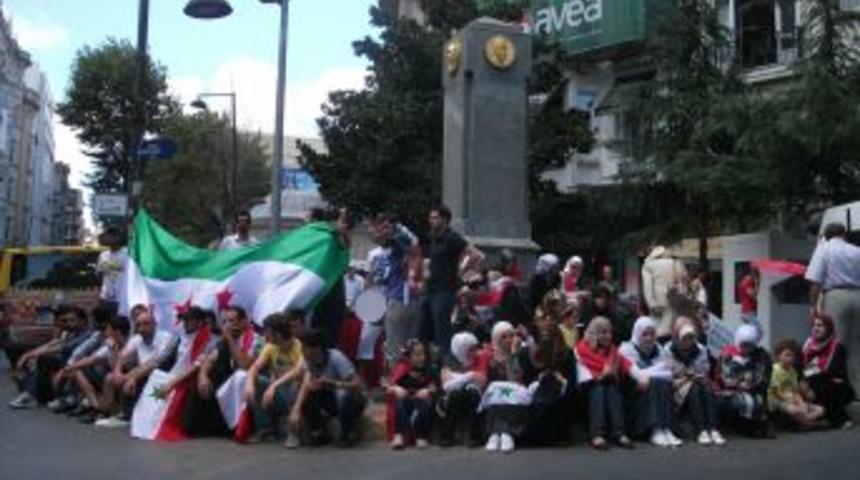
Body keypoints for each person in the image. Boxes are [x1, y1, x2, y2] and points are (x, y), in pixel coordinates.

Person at [130, 307, 216, 441]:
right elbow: (160, 359)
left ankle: (159, 425)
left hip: (192, 376)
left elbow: (195, 367)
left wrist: (172, 383)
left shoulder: (209, 340)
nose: (185, 322)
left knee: (169, 388)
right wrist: (133, 377)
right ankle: (145, 423)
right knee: (155, 376)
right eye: (184, 319)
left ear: (199, 323)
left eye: (189, 320)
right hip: (175, 373)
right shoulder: (178, 337)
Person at [185, 305, 262, 437]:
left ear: (243, 322)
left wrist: (230, 340)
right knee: (200, 381)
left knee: (240, 377)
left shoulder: (256, 339)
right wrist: (203, 376)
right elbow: (209, 360)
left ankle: (240, 427)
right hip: (230, 379)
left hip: (250, 380)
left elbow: (244, 365)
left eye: (232, 321)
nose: (227, 325)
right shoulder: (223, 340)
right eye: (225, 321)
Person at [421, 205, 484, 358]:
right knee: (424, 331)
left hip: (444, 291)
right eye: (430, 218)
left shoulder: (452, 237)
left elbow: (477, 255)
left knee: (442, 333)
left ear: (444, 219)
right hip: (430, 290)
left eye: (435, 218)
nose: (431, 221)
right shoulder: (434, 238)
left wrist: (461, 272)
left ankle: (446, 365)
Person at [94, 307, 172, 428]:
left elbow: (155, 362)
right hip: (142, 372)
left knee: (128, 378)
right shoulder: (137, 339)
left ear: (155, 324)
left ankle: (126, 416)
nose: (142, 328)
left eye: (146, 324)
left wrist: (132, 377)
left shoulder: (165, 338)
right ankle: (105, 412)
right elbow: (123, 357)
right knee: (111, 377)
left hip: (160, 375)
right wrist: (118, 371)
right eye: (139, 325)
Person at [805, 222, 860, 388]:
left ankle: (838, 384)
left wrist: (813, 306)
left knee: (836, 341)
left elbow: (815, 281)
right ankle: (857, 388)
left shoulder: (824, 249)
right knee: (857, 343)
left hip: (836, 296)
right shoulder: (857, 250)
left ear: (827, 235)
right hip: (858, 295)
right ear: (843, 234)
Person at [575, 316, 642, 450]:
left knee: (612, 388)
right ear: (594, 333)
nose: (608, 336)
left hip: (608, 382)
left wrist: (641, 377)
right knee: (599, 388)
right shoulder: (581, 349)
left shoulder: (612, 350)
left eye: (609, 332)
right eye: (603, 332)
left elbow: (626, 364)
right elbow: (583, 377)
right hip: (587, 387)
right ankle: (597, 435)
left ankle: (619, 433)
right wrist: (601, 375)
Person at [366, 213, 422, 369]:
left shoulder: (397, 242)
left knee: (395, 349)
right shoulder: (408, 243)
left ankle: (396, 383)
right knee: (412, 348)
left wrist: (389, 227)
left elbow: (379, 238)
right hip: (413, 300)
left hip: (398, 300)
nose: (378, 230)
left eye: (384, 225)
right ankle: (410, 381)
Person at [293, 330, 366, 447]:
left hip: (352, 399)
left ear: (316, 348)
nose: (303, 352)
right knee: (307, 391)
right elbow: (305, 385)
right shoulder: (308, 361)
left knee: (343, 395)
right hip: (329, 398)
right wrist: (296, 410)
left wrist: (334, 383)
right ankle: (317, 431)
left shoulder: (336, 357)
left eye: (305, 348)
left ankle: (348, 432)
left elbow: (358, 384)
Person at [9, 306, 91, 409]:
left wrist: (35, 355)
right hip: (66, 360)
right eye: (67, 320)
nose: (68, 323)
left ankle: (32, 396)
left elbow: (65, 347)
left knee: (44, 358)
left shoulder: (87, 334)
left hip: (76, 363)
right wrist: (30, 355)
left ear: (82, 321)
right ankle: (32, 394)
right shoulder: (71, 332)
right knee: (39, 360)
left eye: (72, 320)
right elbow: (57, 343)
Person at [244, 313, 305, 448]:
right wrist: (249, 385)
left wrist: (274, 386)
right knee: (255, 380)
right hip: (279, 394)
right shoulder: (270, 347)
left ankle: (294, 432)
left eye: (267, 332)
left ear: (277, 334)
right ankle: (265, 428)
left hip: (297, 395)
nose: (264, 335)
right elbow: (254, 367)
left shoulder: (299, 346)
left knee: (297, 385)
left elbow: (298, 371)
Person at [619, 316, 680, 447]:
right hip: (633, 394)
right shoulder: (626, 349)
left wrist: (652, 373)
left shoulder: (659, 349)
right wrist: (659, 370)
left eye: (652, 334)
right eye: (644, 334)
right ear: (637, 333)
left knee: (660, 382)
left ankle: (666, 428)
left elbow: (669, 373)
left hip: (655, 389)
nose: (649, 338)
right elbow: (637, 375)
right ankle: (655, 429)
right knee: (656, 381)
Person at [667, 317, 725, 445]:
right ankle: (701, 430)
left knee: (703, 387)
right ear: (676, 335)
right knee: (695, 387)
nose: (688, 340)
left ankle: (713, 429)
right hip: (677, 388)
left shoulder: (701, 349)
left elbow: (703, 371)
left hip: (698, 383)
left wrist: (692, 375)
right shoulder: (668, 350)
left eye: (691, 336)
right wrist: (688, 375)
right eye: (685, 337)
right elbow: (670, 375)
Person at [63, 315, 131, 424]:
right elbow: (93, 359)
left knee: (109, 377)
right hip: (114, 378)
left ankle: (104, 411)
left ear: (116, 331)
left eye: (108, 329)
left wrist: (113, 350)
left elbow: (115, 369)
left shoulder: (130, 344)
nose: (106, 331)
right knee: (78, 370)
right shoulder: (110, 344)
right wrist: (71, 367)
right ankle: (95, 406)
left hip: (128, 378)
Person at [480, 321, 532, 453]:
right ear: (496, 339)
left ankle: (505, 434)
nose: (509, 340)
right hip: (496, 397)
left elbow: (514, 380)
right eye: (504, 337)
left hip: (517, 396)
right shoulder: (490, 356)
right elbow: (487, 383)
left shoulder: (523, 352)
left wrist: (513, 355)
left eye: (511, 336)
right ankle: (496, 435)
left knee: (509, 395)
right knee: (497, 396)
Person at [716, 324, 773, 438]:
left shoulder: (761, 355)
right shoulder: (728, 354)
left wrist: (751, 383)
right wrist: (737, 383)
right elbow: (723, 375)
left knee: (757, 400)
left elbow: (762, 374)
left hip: (753, 387)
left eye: (750, 345)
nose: (747, 348)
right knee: (745, 401)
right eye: (744, 345)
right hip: (733, 389)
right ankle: (746, 426)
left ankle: (758, 427)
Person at [802, 313, 856, 429]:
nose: (816, 328)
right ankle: (823, 418)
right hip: (813, 381)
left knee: (820, 381)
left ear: (828, 328)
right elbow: (801, 365)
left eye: (820, 325)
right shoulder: (808, 344)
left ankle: (839, 418)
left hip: (836, 385)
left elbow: (828, 370)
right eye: (814, 325)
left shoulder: (837, 346)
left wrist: (808, 372)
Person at [387, 339, 438, 449]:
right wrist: (396, 388)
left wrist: (427, 391)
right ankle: (398, 435)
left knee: (424, 405)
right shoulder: (402, 368)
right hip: (406, 400)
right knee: (400, 403)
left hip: (421, 400)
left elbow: (434, 387)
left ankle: (421, 436)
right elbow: (390, 387)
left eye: (423, 353)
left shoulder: (430, 369)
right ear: (408, 357)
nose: (422, 358)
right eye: (417, 355)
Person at [438, 332, 487, 447]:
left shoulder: (480, 358)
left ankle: (475, 437)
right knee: (455, 394)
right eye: (470, 350)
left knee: (473, 392)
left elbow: (481, 381)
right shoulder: (449, 360)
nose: (474, 353)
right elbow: (446, 386)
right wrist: (469, 376)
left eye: (475, 349)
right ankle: (447, 436)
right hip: (454, 397)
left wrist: (455, 377)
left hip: (474, 395)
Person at [769, 340, 825, 428]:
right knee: (794, 410)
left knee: (820, 409)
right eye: (787, 355)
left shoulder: (793, 371)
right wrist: (792, 401)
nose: (790, 358)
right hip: (778, 400)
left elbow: (794, 391)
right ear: (779, 356)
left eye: (793, 356)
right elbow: (775, 393)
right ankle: (807, 423)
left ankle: (804, 422)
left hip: (792, 399)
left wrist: (801, 403)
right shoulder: (775, 370)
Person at [642, 246, 688, 341]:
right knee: (675, 330)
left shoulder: (648, 266)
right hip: (676, 302)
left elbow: (648, 288)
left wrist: (652, 304)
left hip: (659, 304)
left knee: (659, 331)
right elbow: (684, 284)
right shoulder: (677, 263)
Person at [96, 228, 128, 310]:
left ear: (119, 237)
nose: (108, 238)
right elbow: (100, 275)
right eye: (107, 235)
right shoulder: (103, 255)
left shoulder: (128, 253)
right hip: (105, 297)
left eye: (112, 235)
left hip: (122, 297)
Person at [738, 268, 761, 339]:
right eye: (758, 277)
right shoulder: (748, 282)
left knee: (748, 332)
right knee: (757, 332)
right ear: (754, 275)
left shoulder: (744, 280)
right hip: (749, 310)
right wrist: (757, 285)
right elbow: (753, 295)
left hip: (746, 310)